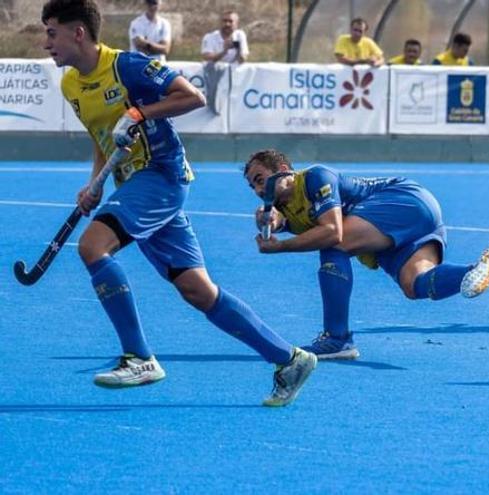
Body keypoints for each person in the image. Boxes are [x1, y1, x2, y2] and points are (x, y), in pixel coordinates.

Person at [41, 0, 315, 407]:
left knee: (93, 245)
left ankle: (138, 357)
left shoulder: (128, 67)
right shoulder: (70, 85)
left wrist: (139, 111)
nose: (46, 43)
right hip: (133, 184)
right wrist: (94, 184)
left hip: (162, 176)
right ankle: (289, 358)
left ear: (77, 32)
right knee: (197, 291)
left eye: (51, 32)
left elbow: (191, 97)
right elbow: (103, 136)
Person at [243, 149, 489, 359]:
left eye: (260, 179)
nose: (257, 190)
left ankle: (337, 338)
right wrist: (273, 223)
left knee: (334, 244)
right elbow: (290, 222)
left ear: (284, 172)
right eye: (252, 186)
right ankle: (471, 272)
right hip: (406, 225)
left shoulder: (314, 178)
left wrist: (281, 246)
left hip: (404, 200)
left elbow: (333, 232)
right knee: (415, 285)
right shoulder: (288, 210)